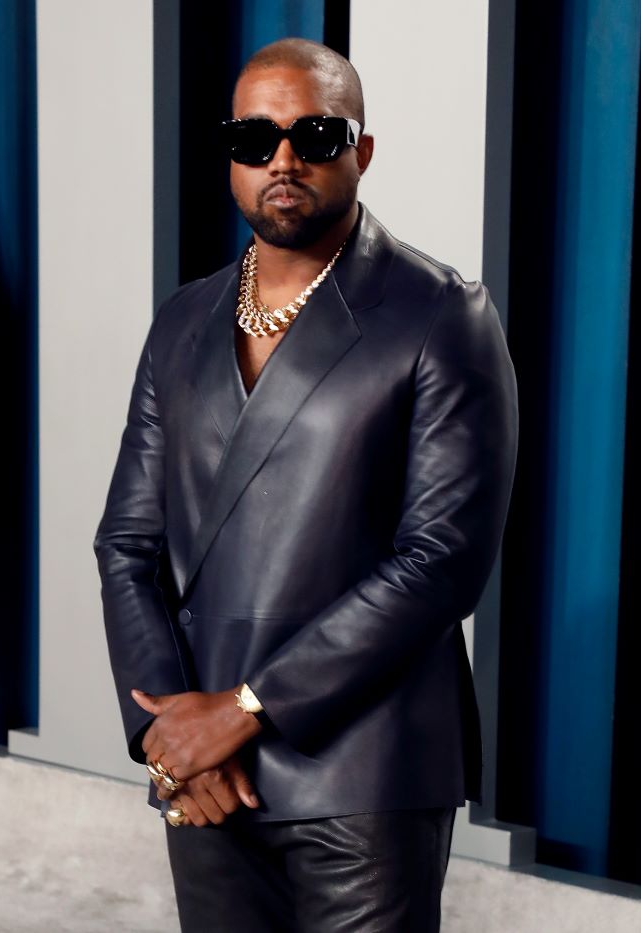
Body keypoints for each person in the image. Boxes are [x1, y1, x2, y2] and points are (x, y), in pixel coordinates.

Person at [94, 37, 518, 932]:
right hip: (208, 775)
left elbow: (441, 562)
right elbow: (127, 543)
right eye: (255, 138)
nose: (282, 158)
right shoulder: (183, 321)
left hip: (363, 771)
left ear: (360, 150)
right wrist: (167, 734)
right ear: (233, 158)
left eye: (315, 134)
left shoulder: (441, 315)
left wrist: (242, 710)